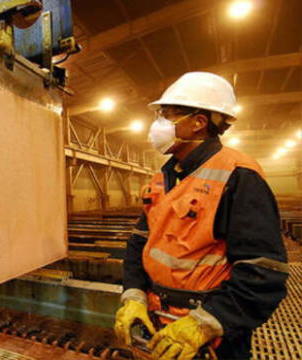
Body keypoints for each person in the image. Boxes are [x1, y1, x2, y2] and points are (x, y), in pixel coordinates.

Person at [113, 72, 289, 359]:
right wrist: (133, 296)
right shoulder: (163, 178)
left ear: (198, 123)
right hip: (157, 324)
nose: (158, 125)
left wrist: (205, 323)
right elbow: (139, 245)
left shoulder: (239, 175)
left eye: (167, 116)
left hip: (209, 336)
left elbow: (263, 271)